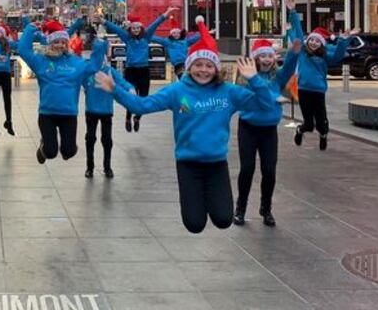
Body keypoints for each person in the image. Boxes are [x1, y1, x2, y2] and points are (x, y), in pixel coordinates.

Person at [95, 17, 276, 234]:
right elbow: (141, 105)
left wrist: (254, 79)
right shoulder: (176, 91)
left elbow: (266, 105)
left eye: (209, 66)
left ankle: (214, 198)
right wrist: (116, 90)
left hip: (217, 164)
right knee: (195, 224)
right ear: (189, 67)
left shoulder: (229, 92)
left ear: (216, 69)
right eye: (198, 65)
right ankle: (197, 200)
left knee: (223, 219)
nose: (203, 70)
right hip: (188, 164)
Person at [233, 37, 301, 227]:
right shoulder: (245, 78)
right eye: (262, 55)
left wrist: (295, 51)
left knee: (269, 171)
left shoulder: (277, 77)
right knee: (247, 169)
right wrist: (274, 97)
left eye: (269, 56)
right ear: (255, 58)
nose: (266, 59)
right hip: (248, 127)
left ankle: (266, 208)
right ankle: (240, 208)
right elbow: (253, 98)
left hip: (269, 130)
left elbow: (290, 66)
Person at [18, 20, 105, 164]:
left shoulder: (76, 63)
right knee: (50, 152)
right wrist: (29, 29)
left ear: (67, 43)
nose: (60, 45)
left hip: (69, 114)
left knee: (68, 152)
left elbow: (94, 66)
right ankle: (43, 147)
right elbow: (23, 50)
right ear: (50, 43)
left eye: (63, 42)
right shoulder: (41, 61)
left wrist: (100, 45)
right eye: (56, 42)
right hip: (47, 114)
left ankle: (67, 148)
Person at [286, 0, 353, 151]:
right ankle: (300, 130)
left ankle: (323, 135)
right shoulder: (303, 52)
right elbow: (298, 33)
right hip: (303, 90)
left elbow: (338, 55)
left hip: (318, 91)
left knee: (322, 122)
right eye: (312, 40)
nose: (314, 43)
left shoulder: (325, 56)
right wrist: (293, 12)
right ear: (308, 41)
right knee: (308, 123)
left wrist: (343, 40)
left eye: (317, 41)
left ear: (321, 44)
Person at [100, 7, 173, 132]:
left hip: (144, 70)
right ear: (130, 29)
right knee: (131, 96)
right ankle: (128, 117)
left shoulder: (147, 37)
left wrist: (166, 14)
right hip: (131, 71)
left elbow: (155, 24)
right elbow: (116, 29)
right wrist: (103, 21)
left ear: (141, 28)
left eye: (138, 28)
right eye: (133, 28)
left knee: (144, 97)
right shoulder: (127, 38)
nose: (136, 30)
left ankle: (137, 118)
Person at [82, 44, 133, 179]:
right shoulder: (88, 72)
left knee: (107, 140)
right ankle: (90, 167)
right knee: (90, 138)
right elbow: (73, 80)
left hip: (106, 110)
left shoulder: (110, 71)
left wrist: (130, 89)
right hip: (91, 110)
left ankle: (107, 167)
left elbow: (123, 82)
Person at [152, 15, 200, 79]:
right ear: (171, 34)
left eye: (177, 33)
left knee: (187, 78)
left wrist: (204, 31)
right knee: (183, 78)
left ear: (180, 34)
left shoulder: (185, 42)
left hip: (186, 63)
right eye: (174, 33)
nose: (176, 35)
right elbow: (157, 39)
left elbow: (196, 38)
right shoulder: (168, 42)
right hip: (177, 64)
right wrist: (146, 35)